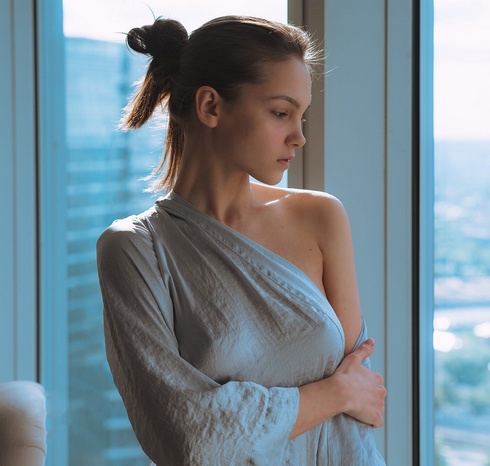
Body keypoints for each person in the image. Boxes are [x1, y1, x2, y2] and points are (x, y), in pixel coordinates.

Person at [96, 15, 387, 466]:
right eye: (280, 112)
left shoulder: (321, 217)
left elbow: (359, 414)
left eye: (302, 115)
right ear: (211, 106)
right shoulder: (135, 250)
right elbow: (188, 437)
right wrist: (334, 393)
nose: (300, 136)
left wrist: (337, 396)